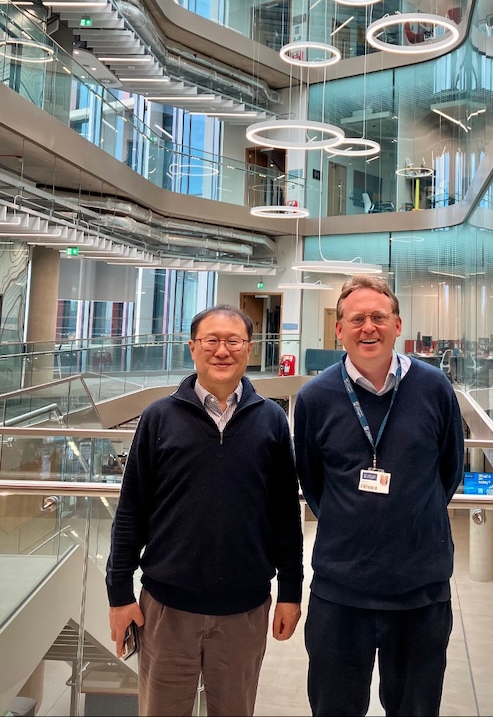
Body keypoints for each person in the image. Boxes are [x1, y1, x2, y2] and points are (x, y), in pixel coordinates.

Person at [106, 304, 303, 717]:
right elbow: (131, 510)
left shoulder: (271, 421)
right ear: (192, 348)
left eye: (233, 341)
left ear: (248, 349)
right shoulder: (159, 417)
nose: (222, 350)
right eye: (211, 340)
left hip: (244, 611)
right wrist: (119, 593)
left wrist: (290, 592)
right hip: (166, 610)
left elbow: (286, 515)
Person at [294, 274, 464, 717]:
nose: (368, 327)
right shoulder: (314, 398)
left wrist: (409, 511)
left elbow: (450, 470)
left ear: (397, 324)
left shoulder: (435, 388)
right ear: (339, 329)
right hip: (340, 593)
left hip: (420, 593)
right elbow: (313, 484)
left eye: (378, 317)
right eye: (357, 319)